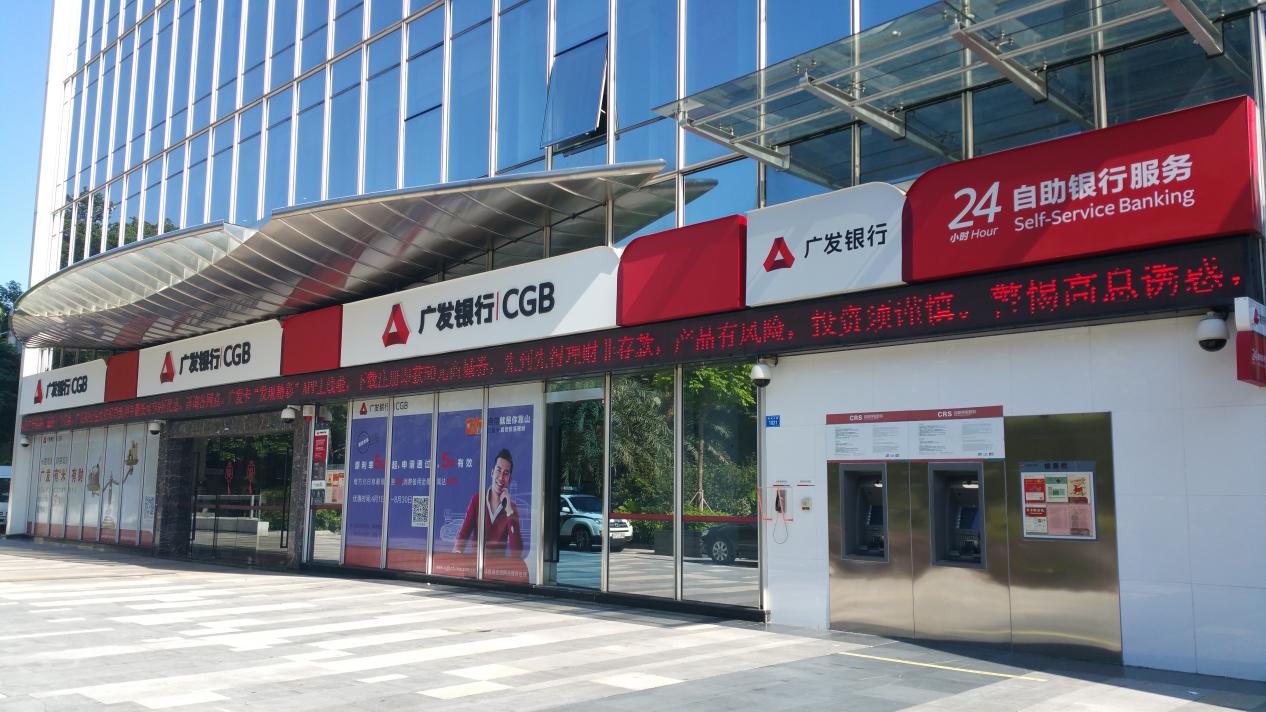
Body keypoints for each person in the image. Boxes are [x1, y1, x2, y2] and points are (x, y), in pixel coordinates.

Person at [453, 449, 523, 558]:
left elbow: (517, 551)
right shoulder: (477, 500)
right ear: (492, 472)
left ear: (509, 480)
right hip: (476, 565)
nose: (501, 477)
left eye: (506, 473)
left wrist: (509, 511)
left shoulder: (511, 508)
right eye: (498, 470)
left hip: (497, 567)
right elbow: (464, 534)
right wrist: (456, 554)